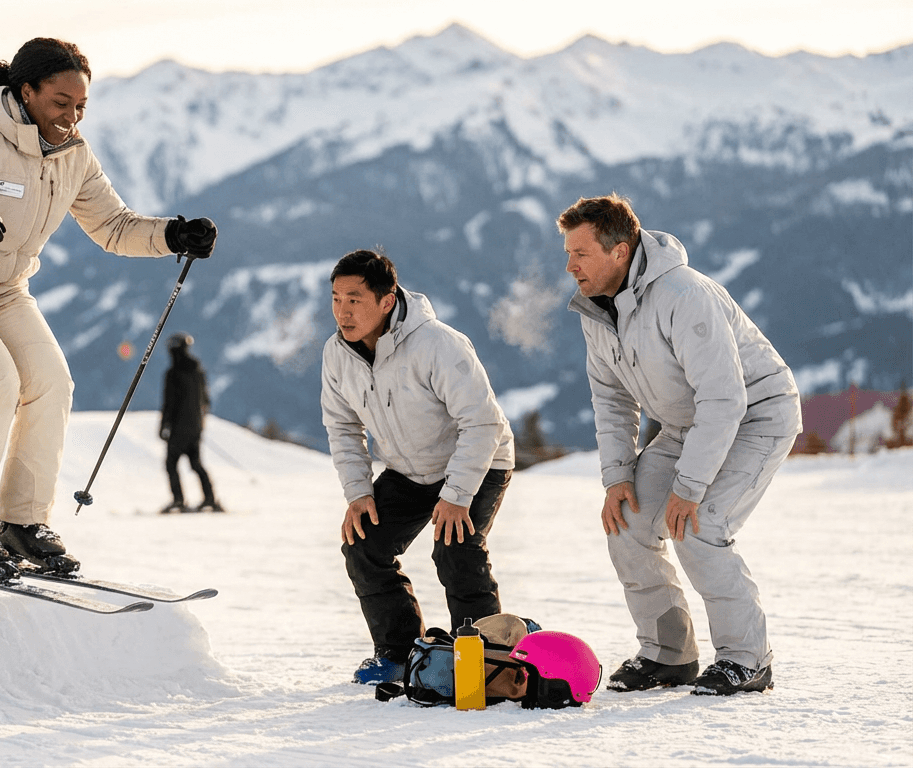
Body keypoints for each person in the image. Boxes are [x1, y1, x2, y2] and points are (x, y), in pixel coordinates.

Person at [0, 38, 217, 575]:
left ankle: (21, 523)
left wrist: (173, 234)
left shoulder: (73, 156)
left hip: (5, 291)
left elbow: (114, 227)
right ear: (27, 91)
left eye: (81, 105)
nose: (72, 116)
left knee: (51, 383)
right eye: (61, 103)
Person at [559, 194, 802, 696]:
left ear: (619, 252)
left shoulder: (684, 295)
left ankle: (746, 659)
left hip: (756, 415)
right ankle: (668, 655)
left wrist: (689, 487)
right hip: (687, 425)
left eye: (580, 253)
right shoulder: (594, 310)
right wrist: (617, 478)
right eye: (568, 252)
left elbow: (724, 398)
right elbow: (611, 400)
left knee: (698, 524)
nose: (570, 265)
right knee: (628, 523)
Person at [320, 249, 516, 685]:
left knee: (456, 548)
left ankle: (481, 665)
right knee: (364, 543)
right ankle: (398, 652)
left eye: (354, 299)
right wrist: (358, 493)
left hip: (478, 462)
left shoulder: (437, 344)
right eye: (335, 298)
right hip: (409, 470)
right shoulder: (336, 354)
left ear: (387, 301)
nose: (342, 312)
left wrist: (456, 496)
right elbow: (342, 426)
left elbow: (483, 423)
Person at [159, 332, 219, 513]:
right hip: (196, 427)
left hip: (178, 429)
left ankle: (178, 500)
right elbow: (206, 401)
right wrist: (200, 424)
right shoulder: (198, 371)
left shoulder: (172, 374)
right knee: (196, 464)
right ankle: (209, 499)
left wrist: (164, 426)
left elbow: (169, 403)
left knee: (171, 464)